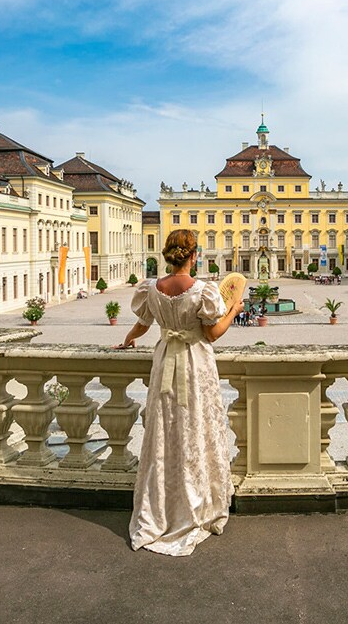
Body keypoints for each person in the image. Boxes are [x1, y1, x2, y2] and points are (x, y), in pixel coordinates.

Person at [115, 229, 243, 556]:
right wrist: (234, 310)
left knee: (164, 431)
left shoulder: (153, 288)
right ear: (194, 255)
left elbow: (143, 324)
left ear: (168, 255)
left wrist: (129, 339)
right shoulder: (203, 290)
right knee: (195, 427)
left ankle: (162, 507)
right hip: (194, 363)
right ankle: (197, 504)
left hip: (164, 361)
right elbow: (212, 334)